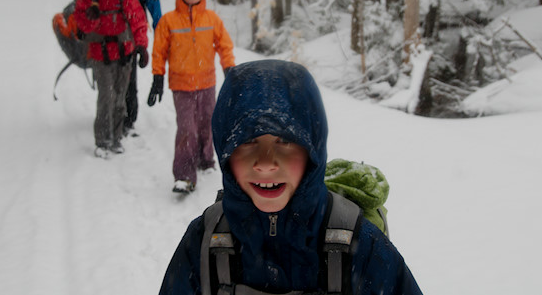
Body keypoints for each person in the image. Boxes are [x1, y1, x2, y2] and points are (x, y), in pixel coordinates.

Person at [157, 60, 423, 295]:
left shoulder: (361, 246)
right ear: (226, 152)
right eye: (248, 142)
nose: (265, 163)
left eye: (285, 140)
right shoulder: (203, 243)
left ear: (312, 150)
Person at [147, 0, 235, 193]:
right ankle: (185, 175)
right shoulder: (168, 21)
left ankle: (206, 160)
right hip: (181, 85)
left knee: (207, 124)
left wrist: (229, 68)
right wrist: (157, 76)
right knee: (187, 128)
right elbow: (159, 51)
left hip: (207, 82)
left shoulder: (212, 19)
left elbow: (224, 44)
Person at [75, 0, 162, 134]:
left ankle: (126, 121)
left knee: (128, 79)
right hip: (100, 31)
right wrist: (85, 16)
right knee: (107, 84)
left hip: (128, 30)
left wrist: (157, 21)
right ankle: (107, 125)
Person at [73, 0, 149, 158]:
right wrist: (91, 16)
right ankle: (102, 139)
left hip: (124, 53)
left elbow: (138, 20)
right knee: (106, 96)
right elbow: (82, 28)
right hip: (100, 55)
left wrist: (142, 46)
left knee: (120, 97)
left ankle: (116, 137)